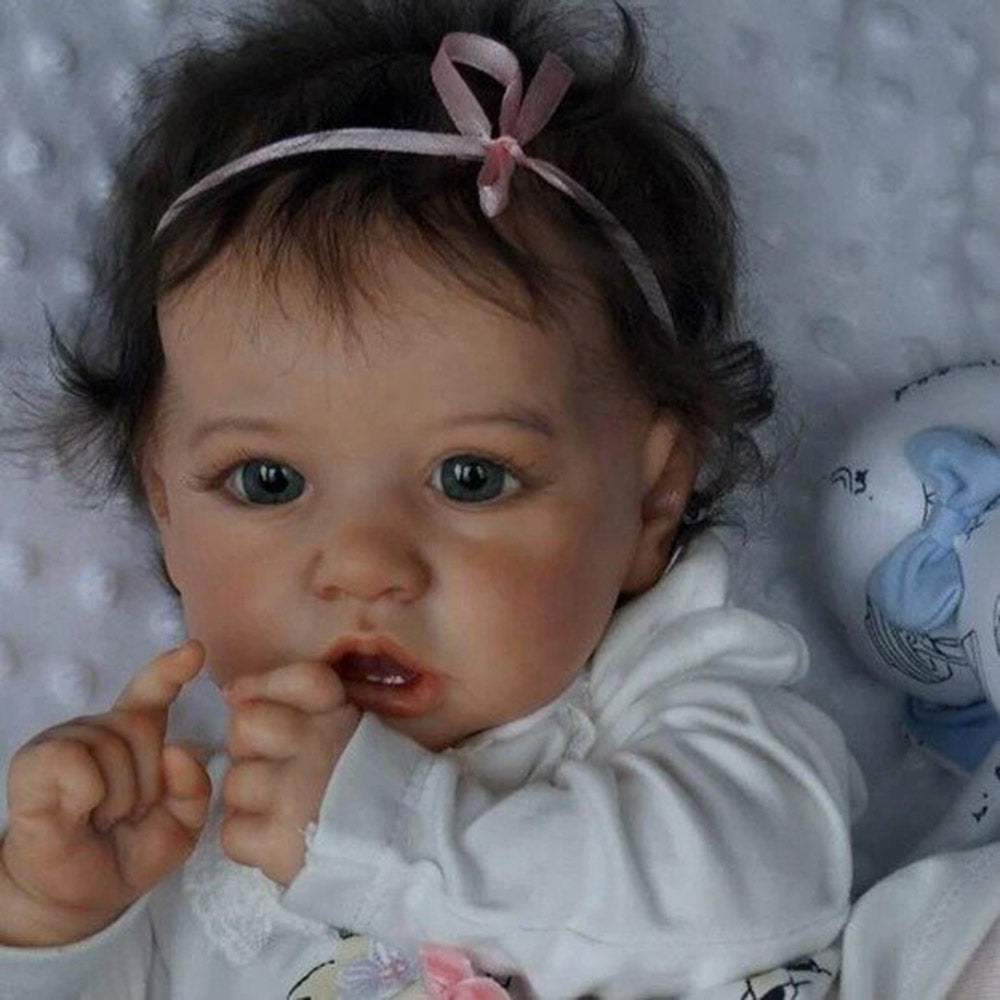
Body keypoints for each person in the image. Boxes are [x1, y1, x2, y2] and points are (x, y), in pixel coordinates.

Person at [0, 0, 865, 996]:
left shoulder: (663, 707)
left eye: (470, 477)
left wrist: (393, 833)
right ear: (163, 505)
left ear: (652, 496)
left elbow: (776, 881)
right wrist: (53, 925)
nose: (364, 565)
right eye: (267, 482)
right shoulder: (179, 833)